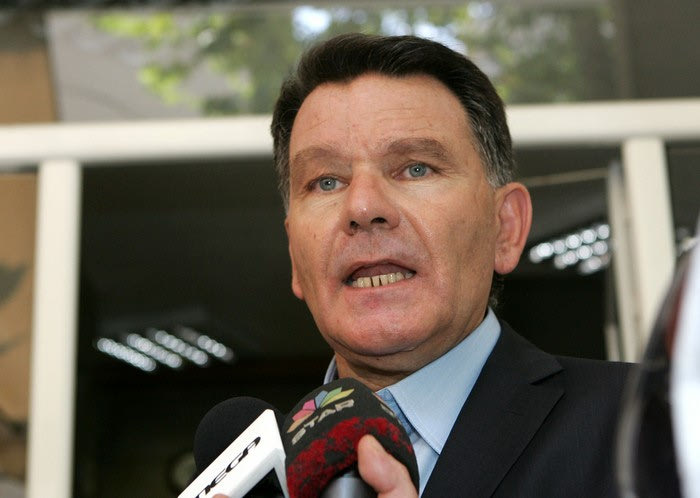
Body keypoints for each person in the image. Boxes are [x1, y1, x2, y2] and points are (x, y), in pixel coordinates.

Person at [270, 33, 629, 497]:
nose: (362, 206)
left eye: (415, 168)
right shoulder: (259, 475)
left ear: (505, 228)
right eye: (326, 181)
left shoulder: (653, 426)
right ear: (294, 256)